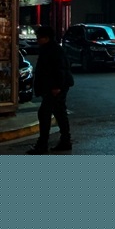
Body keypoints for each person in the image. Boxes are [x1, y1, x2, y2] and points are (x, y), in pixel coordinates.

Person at [26, 25, 73, 154]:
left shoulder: (53, 50)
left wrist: (56, 86)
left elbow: (59, 69)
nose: (37, 40)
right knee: (59, 113)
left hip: (55, 88)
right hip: (54, 87)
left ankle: (43, 144)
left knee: (45, 114)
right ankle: (65, 140)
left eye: (39, 37)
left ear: (46, 38)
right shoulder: (50, 49)